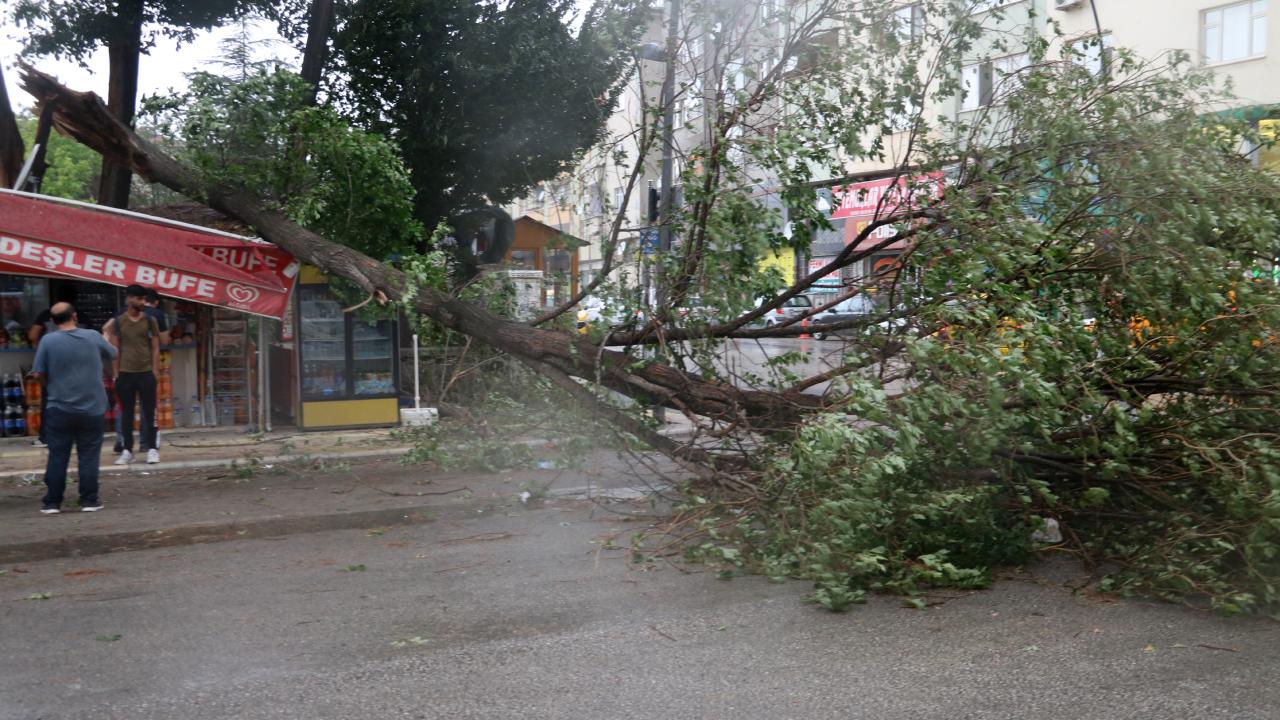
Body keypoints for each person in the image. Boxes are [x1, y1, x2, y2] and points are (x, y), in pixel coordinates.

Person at [29, 302, 117, 514]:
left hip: (59, 407)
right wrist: (105, 337)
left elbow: (37, 373)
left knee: (58, 455)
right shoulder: (93, 336)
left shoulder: (48, 340)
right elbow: (113, 353)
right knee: (89, 455)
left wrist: (50, 387)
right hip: (92, 408)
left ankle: (52, 502)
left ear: (52, 321)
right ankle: (89, 500)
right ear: (75, 316)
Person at [106, 285, 161, 465]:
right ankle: (127, 450)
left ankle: (152, 449)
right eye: (139, 299)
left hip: (146, 372)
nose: (143, 302)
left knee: (150, 412)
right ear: (129, 299)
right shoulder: (118, 322)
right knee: (126, 414)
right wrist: (116, 374)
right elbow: (115, 349)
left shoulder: (150, 320)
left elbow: (155, 347)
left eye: (144, 299)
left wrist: (155, 370)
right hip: (125, 373)